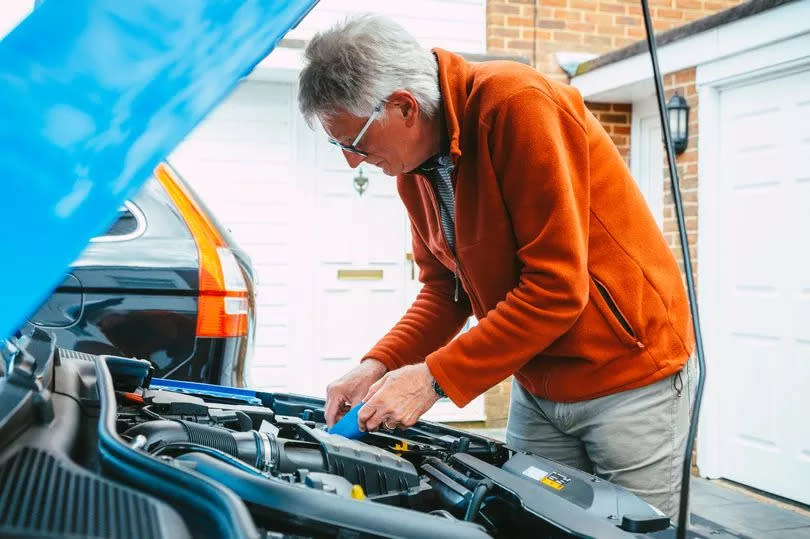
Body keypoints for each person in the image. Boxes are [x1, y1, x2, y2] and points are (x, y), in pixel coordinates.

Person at [297, 14, 694, 518]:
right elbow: (446, 292)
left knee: (629, 530)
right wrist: (378, 365)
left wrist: (432, 379)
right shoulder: (413, 171)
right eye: (339, 145)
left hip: (629, 380)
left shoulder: (516, 105)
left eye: (353, 143)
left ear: (403, 107)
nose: (352, 162)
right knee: (529, 522)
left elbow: (556, 290)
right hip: (537, 383)